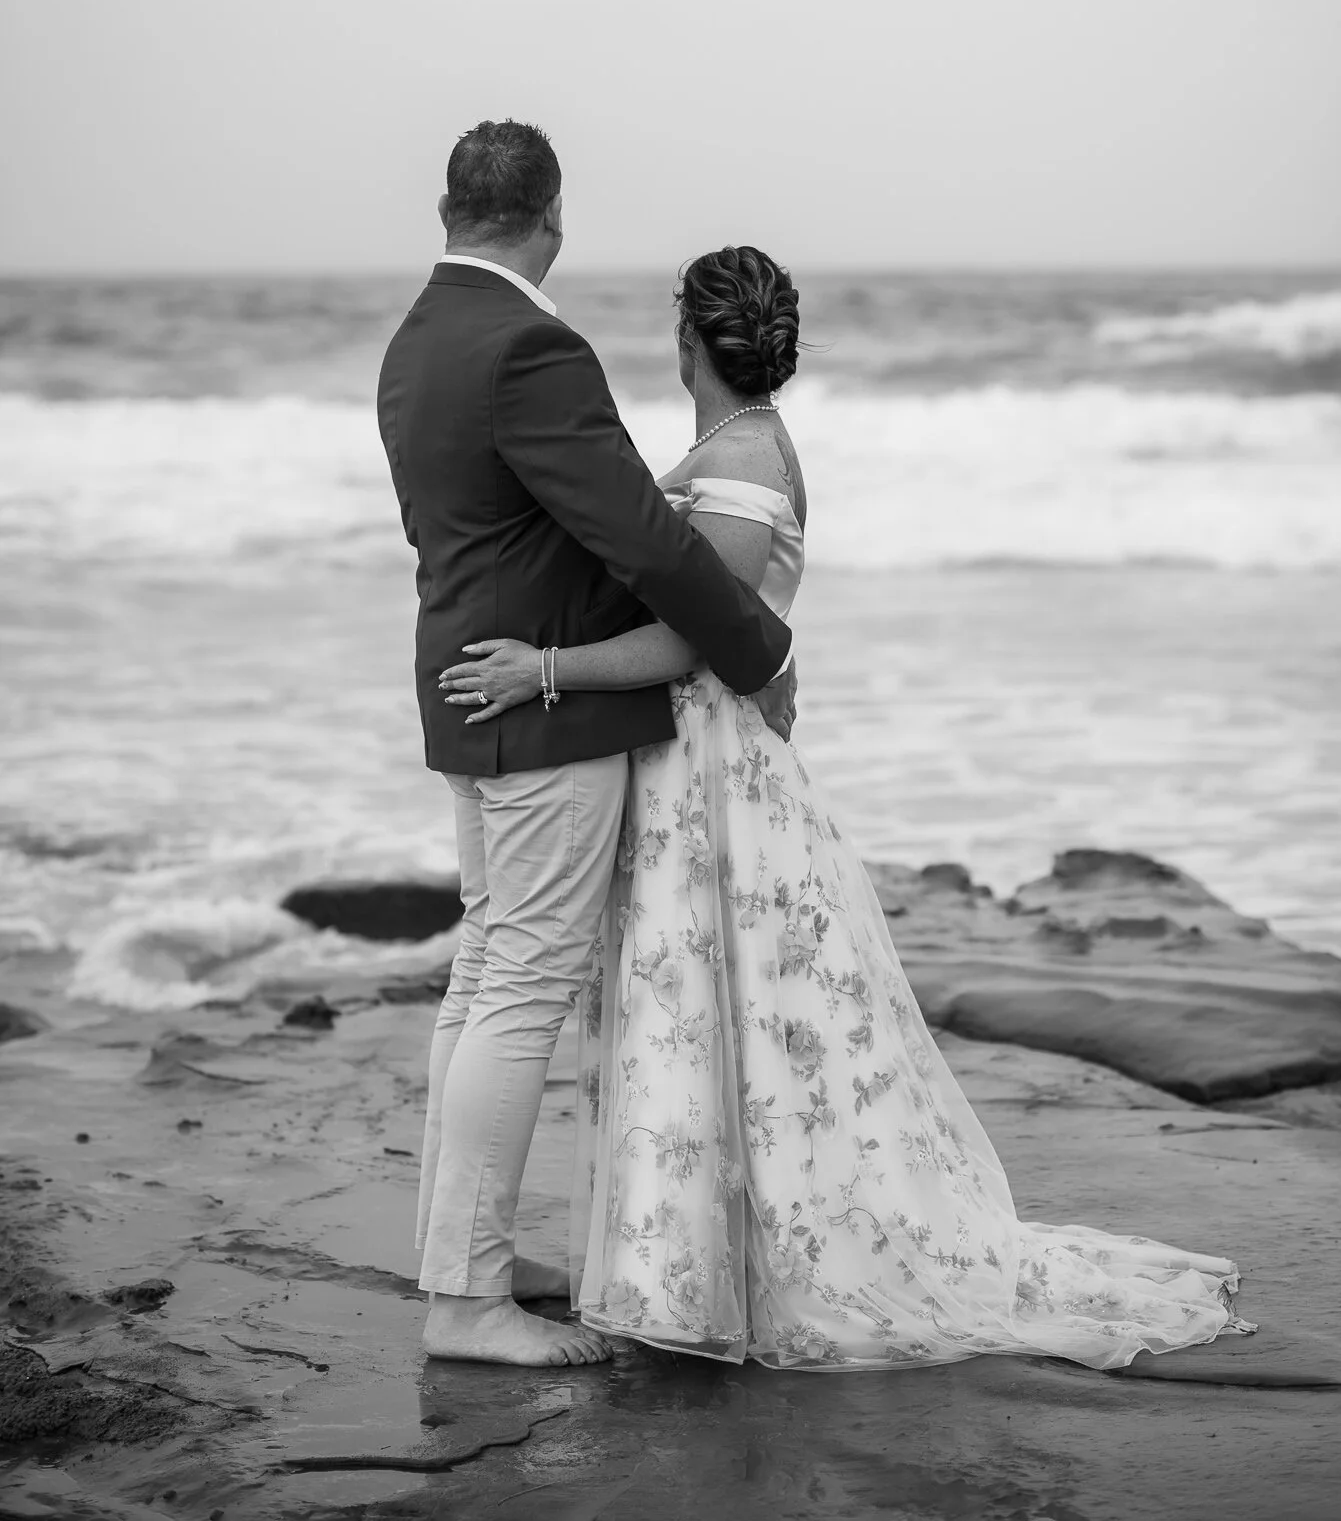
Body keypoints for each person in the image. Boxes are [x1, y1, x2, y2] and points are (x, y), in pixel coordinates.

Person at [440, 243, 1257, 1370]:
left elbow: (695, 636)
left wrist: (543, 670)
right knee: (710, 1019)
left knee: (730, 1018)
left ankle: (727, 1269)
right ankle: (682, 1256)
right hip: (688, 770)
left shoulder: (743, 462)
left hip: (711, 779)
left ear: (688, 338)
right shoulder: (735, 446)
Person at [377, 123, 793, 1368]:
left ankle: (461, 1258)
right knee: (519, 989)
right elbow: (643, 541)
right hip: (540, 713)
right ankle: (464, 1298)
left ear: (449, 206)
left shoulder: (417, 336)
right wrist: (759, 651)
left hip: (466, 685)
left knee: (483, 974)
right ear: (550, 216)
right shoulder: (529, 343)